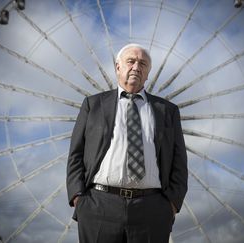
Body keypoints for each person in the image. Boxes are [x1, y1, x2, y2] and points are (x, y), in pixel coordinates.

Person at [67, 43, 188, 243]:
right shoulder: (93, 104)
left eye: (143, 64)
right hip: (98, 204)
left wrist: (171, 204)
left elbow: (179, 161)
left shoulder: (167, 110)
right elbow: (76, 153)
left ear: (148, 73)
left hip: (152, 208)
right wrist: (78, 197)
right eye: (130, 61)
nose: (136, 67)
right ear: (118, 67)